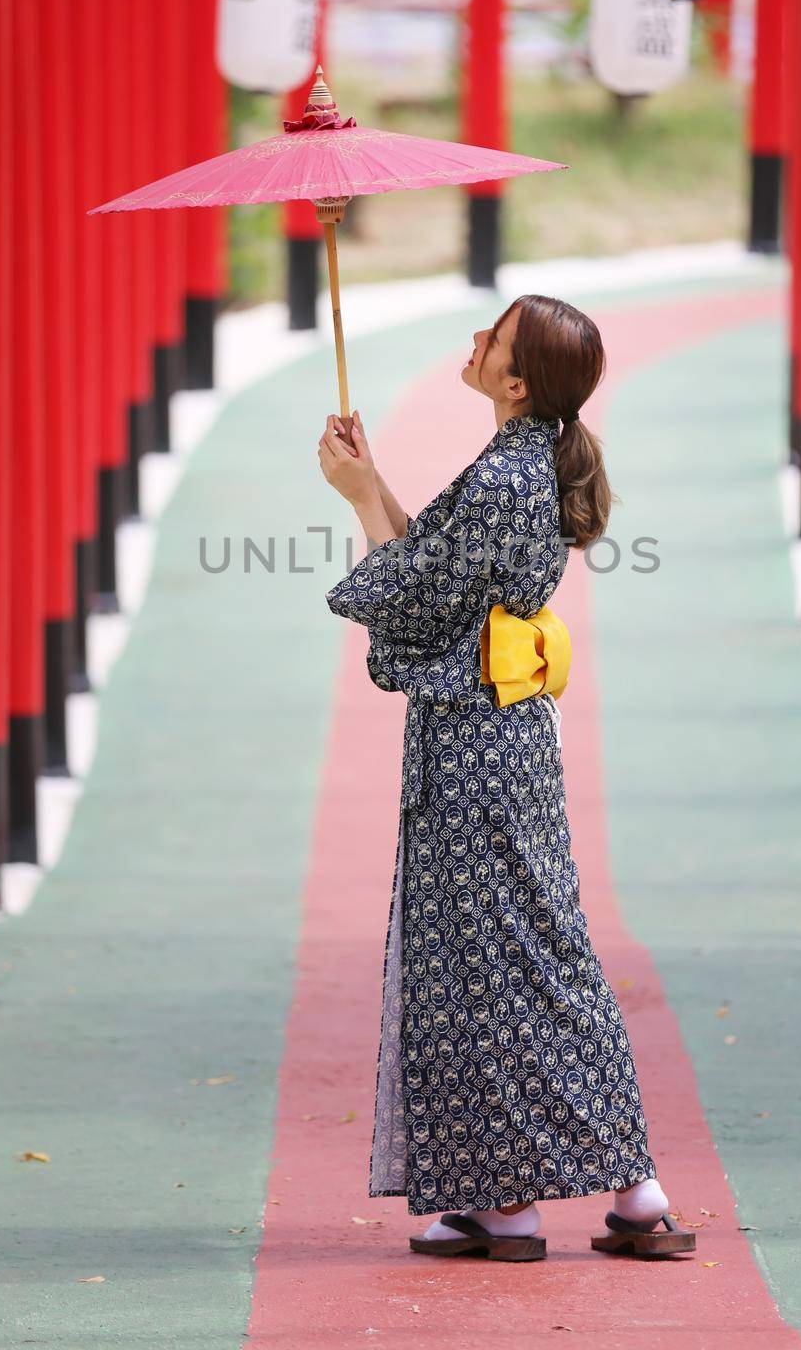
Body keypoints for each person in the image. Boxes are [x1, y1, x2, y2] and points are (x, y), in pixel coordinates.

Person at [318, 293, 693, 1264]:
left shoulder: (503, 477)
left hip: (474, 747)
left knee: (488, 964)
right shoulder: (519, 464)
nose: (474, 344)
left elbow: (417, 596)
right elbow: (438, 572)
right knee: (525, 955)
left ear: (515, 381)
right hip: (503, 737)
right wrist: (372, 484)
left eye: (491, 339)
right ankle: (571, 1196)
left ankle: (537, 1200)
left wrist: (360, 500)